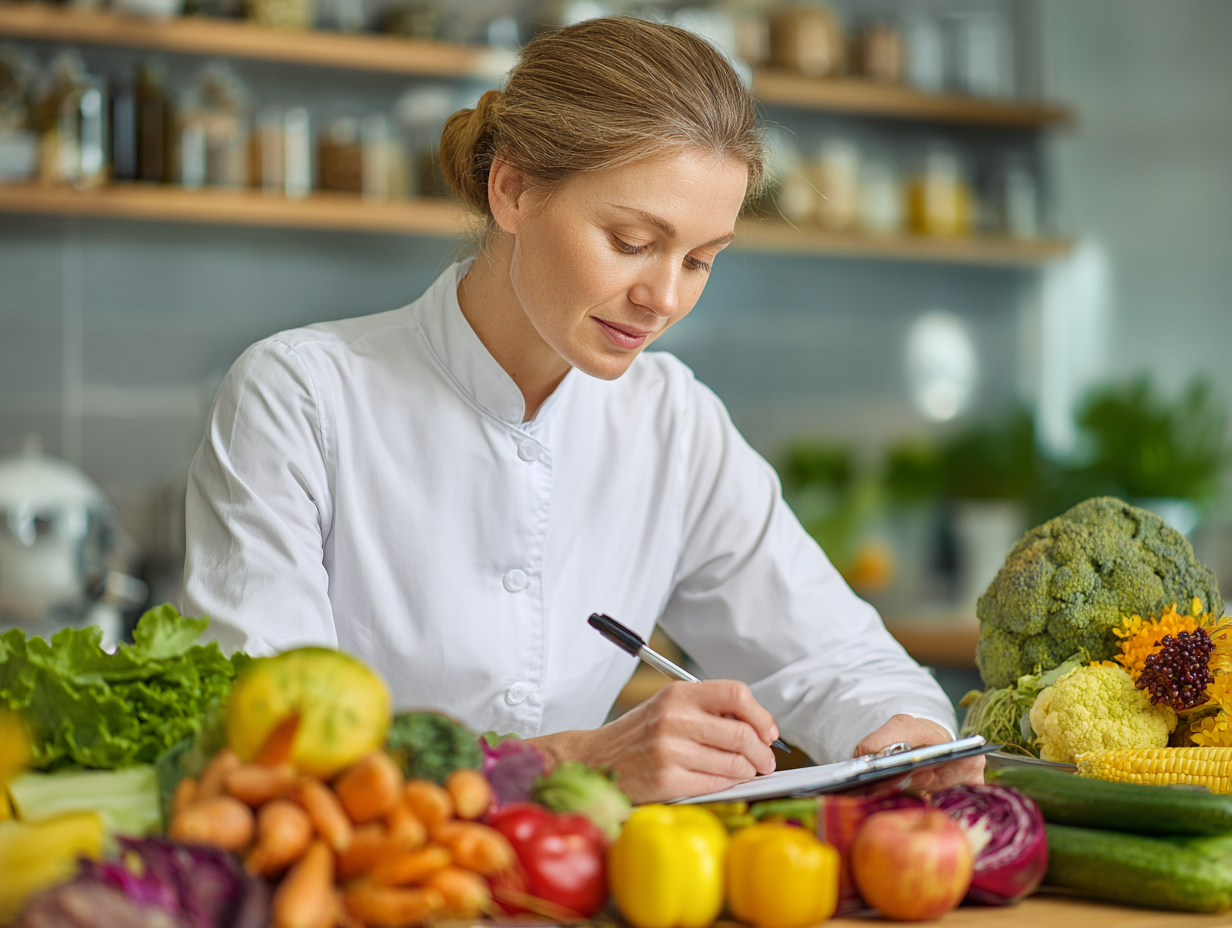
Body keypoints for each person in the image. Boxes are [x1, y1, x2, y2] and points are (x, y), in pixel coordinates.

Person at [184, 16, 982, 803]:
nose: (663, 298)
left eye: (700, 260)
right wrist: (574, 761)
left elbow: (833, 657)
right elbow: (266, 745)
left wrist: (905, 734)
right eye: (632, 242)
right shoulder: (300, 396)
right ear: (513, 189)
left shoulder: (672, 421)